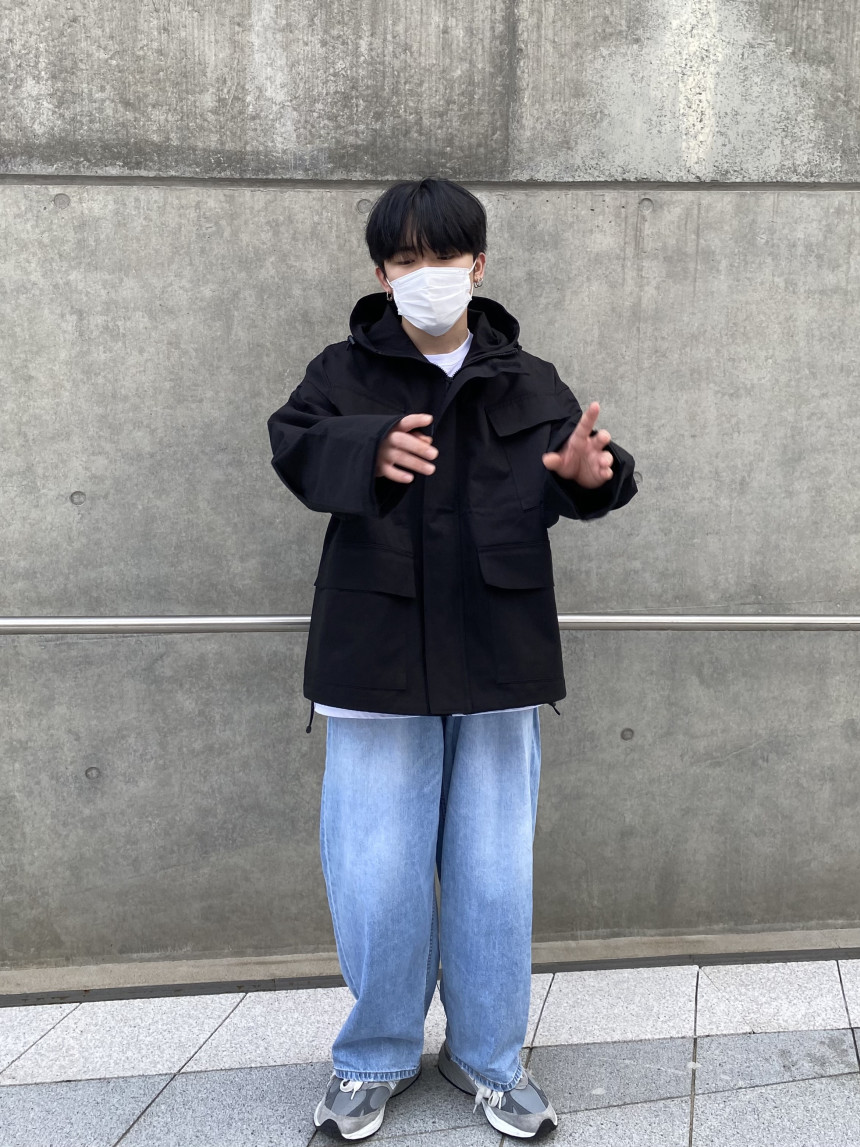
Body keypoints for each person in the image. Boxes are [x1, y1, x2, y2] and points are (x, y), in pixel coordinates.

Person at [266, 177, 638, 1141]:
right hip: (377, 655)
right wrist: (364, 448)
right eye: (405, 259)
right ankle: (373, 1056)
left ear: (478, 264)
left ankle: (489, 1056)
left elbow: (587, 462)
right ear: (380, 273)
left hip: (498, 652)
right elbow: (293, 446)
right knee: (377, 870)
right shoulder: (341, 371)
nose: (424, 274)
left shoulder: (527, 378)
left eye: (443, 255)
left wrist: (593, 477)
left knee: (493, 871)